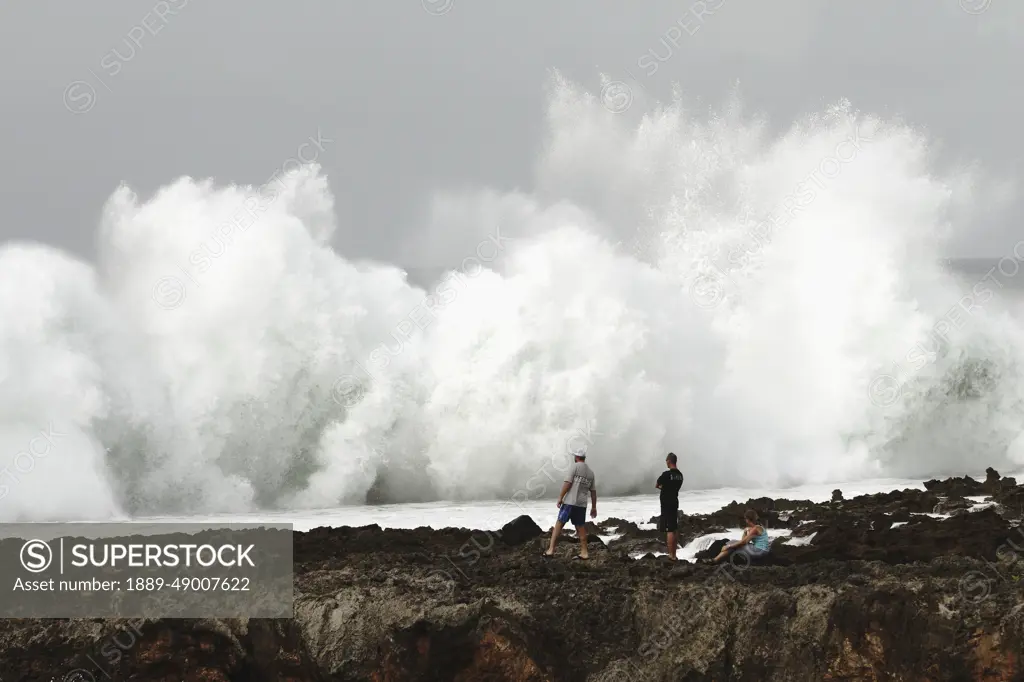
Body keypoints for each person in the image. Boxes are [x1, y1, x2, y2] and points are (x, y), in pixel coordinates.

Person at [542, 449, 597, 560]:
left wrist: (560, 498)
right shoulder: (591, 473)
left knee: (559, 524)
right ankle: (584, 552)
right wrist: (594, 507)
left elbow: (568, 483)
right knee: (580, 527)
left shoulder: (574, 467)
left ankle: (551, 550)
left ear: (576, 457)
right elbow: (593, 492)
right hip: (581, 504)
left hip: (569, 502)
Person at [655, 452, 684, 561]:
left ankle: (671, 556)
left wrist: (664, 488)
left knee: (669, 529)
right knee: (674, 528)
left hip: (666, 503)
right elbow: (675, 487)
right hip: (674, 502)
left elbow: (657, 485)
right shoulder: (680, 475)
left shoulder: (666, 474)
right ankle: (674, 554)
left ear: (668, 461)